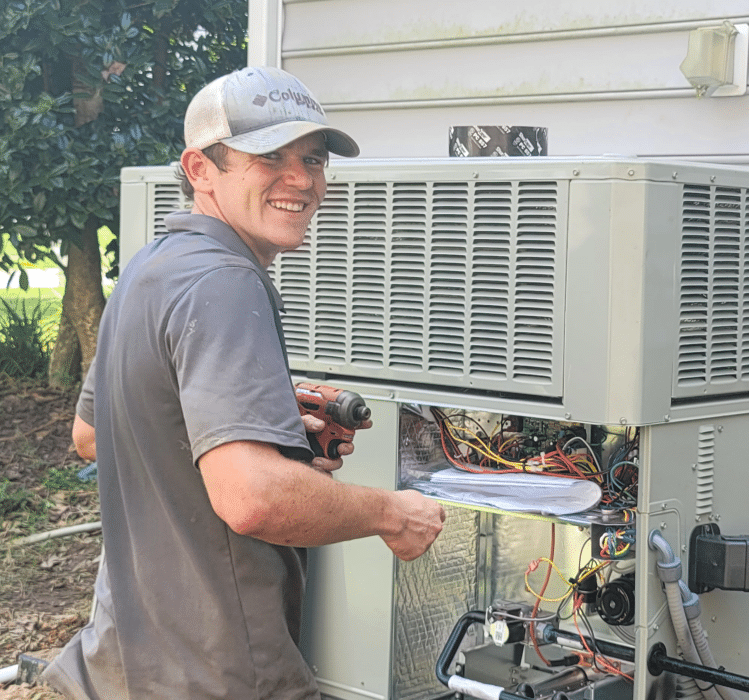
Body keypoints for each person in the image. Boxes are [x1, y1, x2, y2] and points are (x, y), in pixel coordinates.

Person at [43, 66, 446, 700]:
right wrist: (390, 512)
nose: (301, 180)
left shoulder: (152, 267)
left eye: (313, 159)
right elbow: (252, 498)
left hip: (125, 660)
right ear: (201, 170)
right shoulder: (226, 282)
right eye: (269, 156)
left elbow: (94, 433)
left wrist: (250, 416)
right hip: (221, 674)